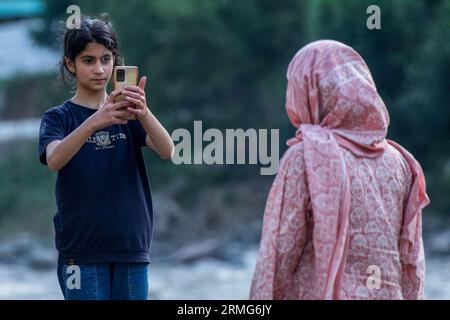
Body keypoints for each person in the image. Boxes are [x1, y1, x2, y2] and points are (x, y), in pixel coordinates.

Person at [250, 40, 430, 300]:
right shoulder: (402, 161)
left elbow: (278, 258)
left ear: (307, 91)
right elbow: (411, 262)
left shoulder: (306, 157)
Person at [38, 15, 174, 300]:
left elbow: (167, 150)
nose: (99, 69)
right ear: (70, 64)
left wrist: (144, 112)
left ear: (115, 61)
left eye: (106, 58)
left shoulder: (129, 114)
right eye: (88, 60)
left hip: (131, 247)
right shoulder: (58, 117)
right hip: (81, 250)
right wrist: (95, 121)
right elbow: (54, 159)